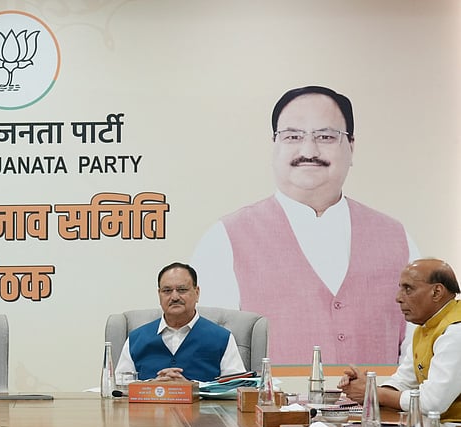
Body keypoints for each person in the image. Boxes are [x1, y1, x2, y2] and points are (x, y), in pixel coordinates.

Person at [191, 85, 418, 365]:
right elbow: (211, 354)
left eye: (325, 136)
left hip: (379, 408)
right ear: (274, 145)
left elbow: (420, 348)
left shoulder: (397, 238)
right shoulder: (224, 239)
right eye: (293, 136)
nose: (309, 150)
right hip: (268, 408)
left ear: (351, 146)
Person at [338, 259, 461, 422]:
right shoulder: (425, 328)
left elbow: (433, 403)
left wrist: (375, 393)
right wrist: (368, 390)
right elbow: (404, 380)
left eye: (408, 289)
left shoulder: (455, 330)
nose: (398, 298)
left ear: (437, 292)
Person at [116, 262, 246, 383]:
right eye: (167, 291)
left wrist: (192, 389)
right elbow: (118, 390)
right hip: (149, 408)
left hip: (203, 408)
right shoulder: (136, 339)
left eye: (182, 290)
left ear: (197, 293)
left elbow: (235, 389)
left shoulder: (222, 338)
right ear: (159, 294)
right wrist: (151, 387)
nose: (174, 297)